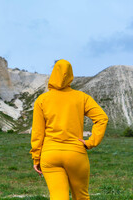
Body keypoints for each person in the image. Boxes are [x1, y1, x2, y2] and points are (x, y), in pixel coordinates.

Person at [30, 59, 108, 200]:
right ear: (70, 75)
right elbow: (102, 118)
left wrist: (36, 158)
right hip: (76, 153)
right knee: (81, 196)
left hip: (50, 154)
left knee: (58, 196)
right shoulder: (82, 98)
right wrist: (91, 142)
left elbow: (37, 132)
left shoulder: (42, 100)